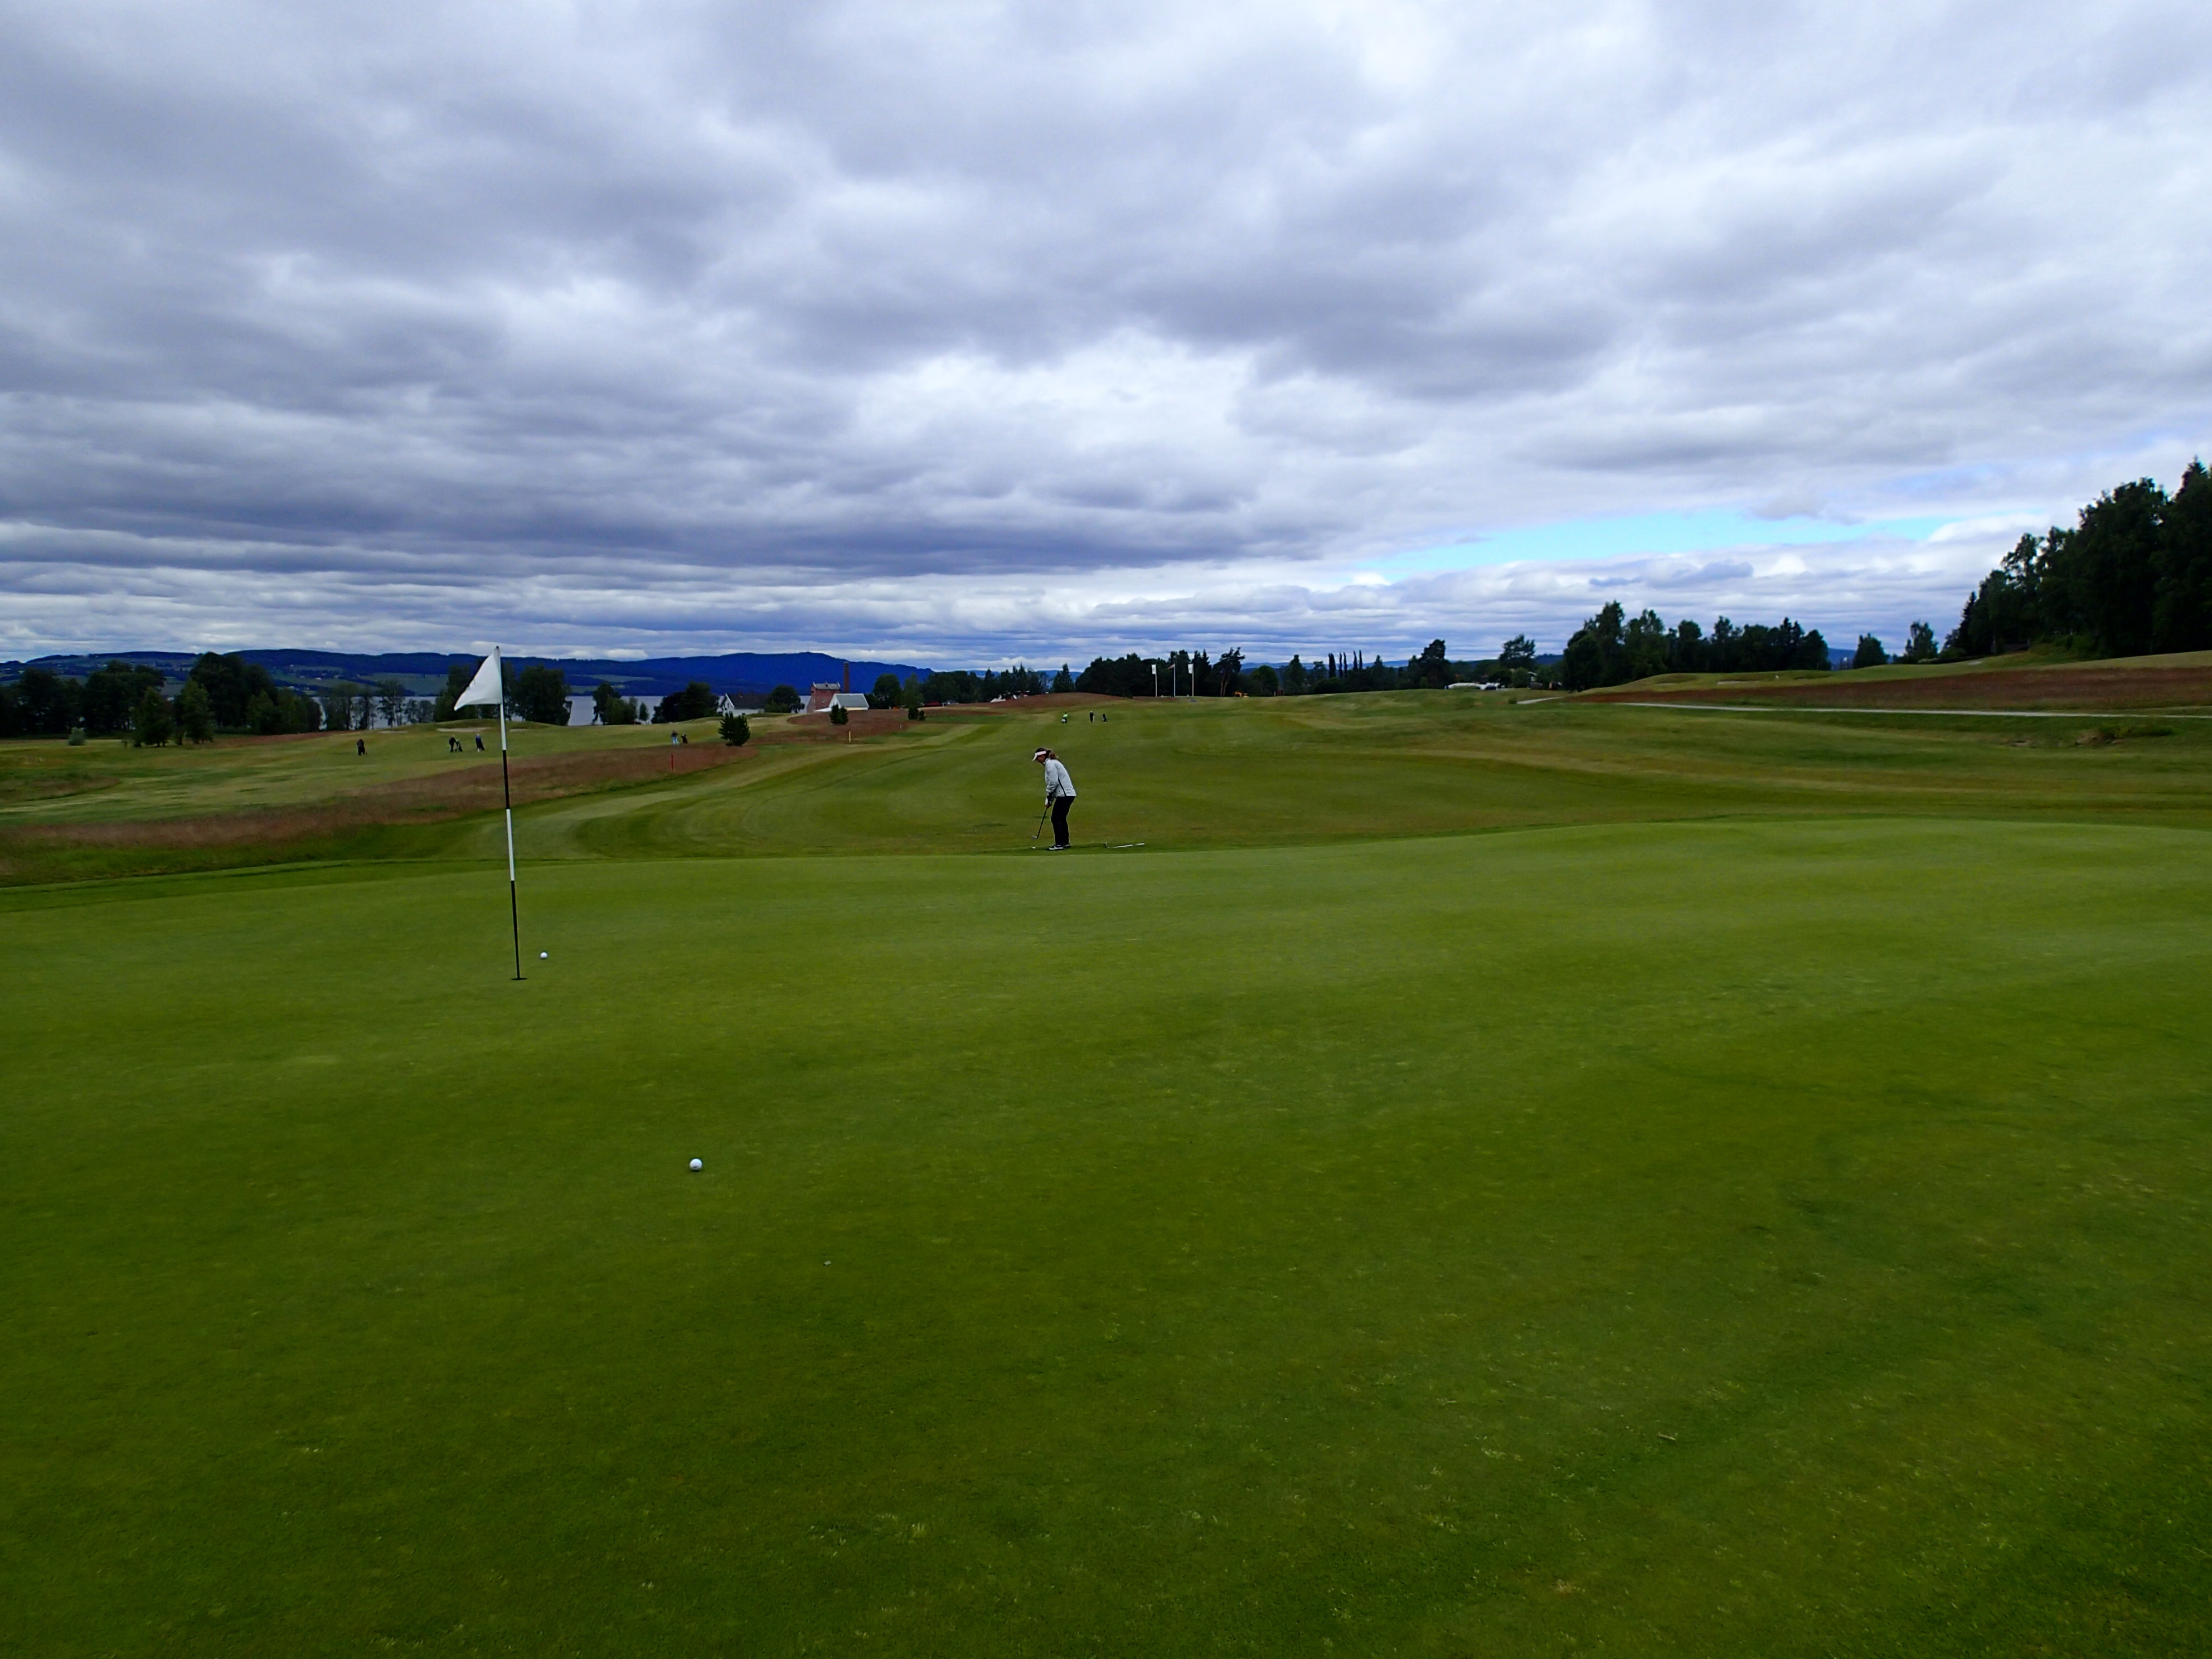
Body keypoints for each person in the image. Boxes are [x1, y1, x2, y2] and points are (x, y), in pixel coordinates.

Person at [1034, 747, 1076, 849]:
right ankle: (1065, 843)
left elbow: (1053, 782)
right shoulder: (1052, 763)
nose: (1038, 761)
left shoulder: (1050, 764)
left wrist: (1049, 794)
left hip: (1064, 795)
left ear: (1042, 756)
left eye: (1038, 758)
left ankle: (1059, 844)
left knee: (1056, 819)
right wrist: (1050, 799)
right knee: (1061, 818)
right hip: (1067, 795)